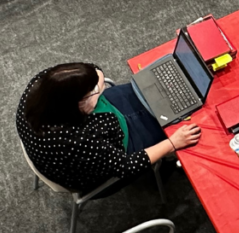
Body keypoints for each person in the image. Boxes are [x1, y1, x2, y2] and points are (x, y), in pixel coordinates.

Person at [16, 63, 201, 195]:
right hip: (112, 158)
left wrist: (95, 92)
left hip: (101, 128)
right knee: (178, 120)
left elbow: (95, 70)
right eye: (92, 93)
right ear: (75, 104)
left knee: (157, 91)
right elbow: (125, 166)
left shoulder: (41, 87)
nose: (99, 89)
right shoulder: (77, 141)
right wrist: (172, 143)